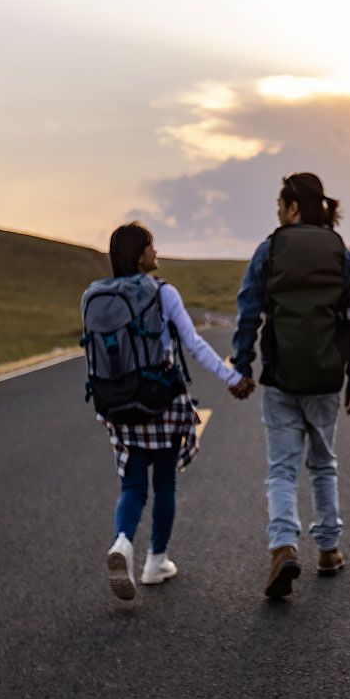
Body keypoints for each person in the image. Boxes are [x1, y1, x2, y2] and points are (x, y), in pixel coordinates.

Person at [92, 222, 249, 601]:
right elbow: (193, 344)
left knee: (132, 487)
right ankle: (155, 561)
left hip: (118, 406)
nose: (156, 252)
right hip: (160, 402)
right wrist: (231, 378)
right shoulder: (163, 293)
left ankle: (123, 542)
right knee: (164, 483)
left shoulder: (97, 295)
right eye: (151, 246)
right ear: (139, 254)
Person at [230, 172, 350, 599]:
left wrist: (242, 364)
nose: (276, 210)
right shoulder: (342, 253)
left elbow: (248, 311)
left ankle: (283, 546)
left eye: (279, 203)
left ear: (293, 207)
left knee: (282, 469)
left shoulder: (269, 249)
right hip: (327, 379)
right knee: (323, 464)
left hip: (280, 377)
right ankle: (328, 549)